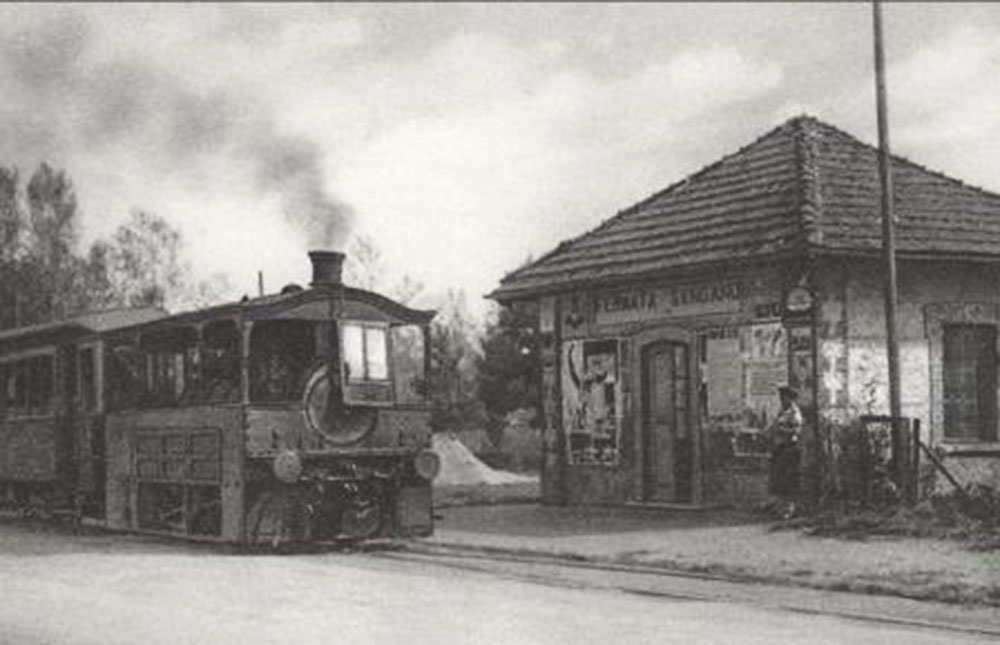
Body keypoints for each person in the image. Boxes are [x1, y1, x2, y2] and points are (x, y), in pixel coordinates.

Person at [767, 385, 803, 516]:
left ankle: (789, 508)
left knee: (789, 479)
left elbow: (796, 431)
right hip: (779, 448)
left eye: (785, 397)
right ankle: (779, 506)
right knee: (779, 478)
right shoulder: (782, 411)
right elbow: (774, 425)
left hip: (790, 448)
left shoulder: (794, 413)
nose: (782, 400)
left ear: (791, 398)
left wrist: (780, 430)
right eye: (781, 397)